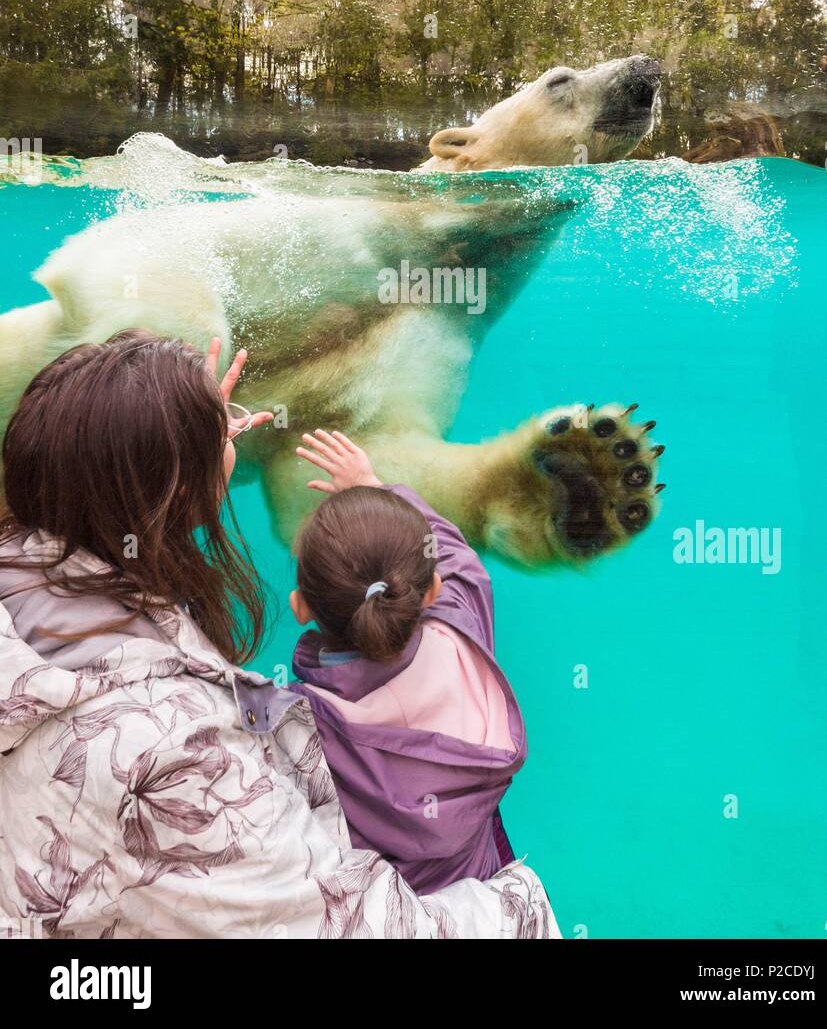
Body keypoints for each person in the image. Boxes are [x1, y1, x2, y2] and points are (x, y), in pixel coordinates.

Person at [0, 330, 558, 939]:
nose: (233, 432)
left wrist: (179, 429)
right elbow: (345, 929)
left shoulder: (23, 576)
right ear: (429, 591)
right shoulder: (181, 751)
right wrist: (519, 903)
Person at [235, 430, 525, 897]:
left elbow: (220, 705)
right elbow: (456, 556)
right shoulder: (462, 639)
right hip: (479, 891)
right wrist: (373, 486)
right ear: (431, 591)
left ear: (299, 607)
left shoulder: (293, 719)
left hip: (386, 912)